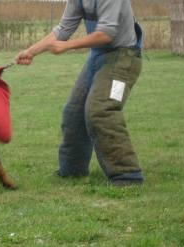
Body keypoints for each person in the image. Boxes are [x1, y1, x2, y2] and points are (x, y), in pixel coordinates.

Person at [15, 0, 144, 185]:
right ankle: (72, 171)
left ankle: (127, 176)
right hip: (97, 56)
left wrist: (66, 46)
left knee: (101, 110)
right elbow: (63, 30)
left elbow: (106, 33)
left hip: (124, 57)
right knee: (74, 112)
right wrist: (31, 51)